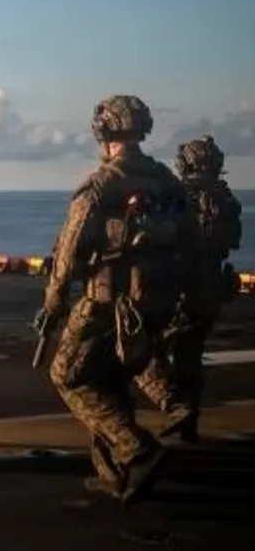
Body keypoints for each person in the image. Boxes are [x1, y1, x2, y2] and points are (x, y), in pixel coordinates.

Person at [36, 95, 190, 505]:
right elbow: (191, 240)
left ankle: (136, 449)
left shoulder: (100, 185)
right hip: (155, 301)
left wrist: (54, 302)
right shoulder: (167, 182)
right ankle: (116, 474)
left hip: (106, 302)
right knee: (112, 381)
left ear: (102, 131)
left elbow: (69, 252)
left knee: (68, 376)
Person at [135, 136, 243, 443]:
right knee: (190, 358)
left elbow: (161, 234)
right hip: (210, 290)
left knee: (144, 352)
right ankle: (188, 425)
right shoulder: (226, 200)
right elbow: (228, 243)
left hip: (178, 291)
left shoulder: (179, 196)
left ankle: (174, 405)